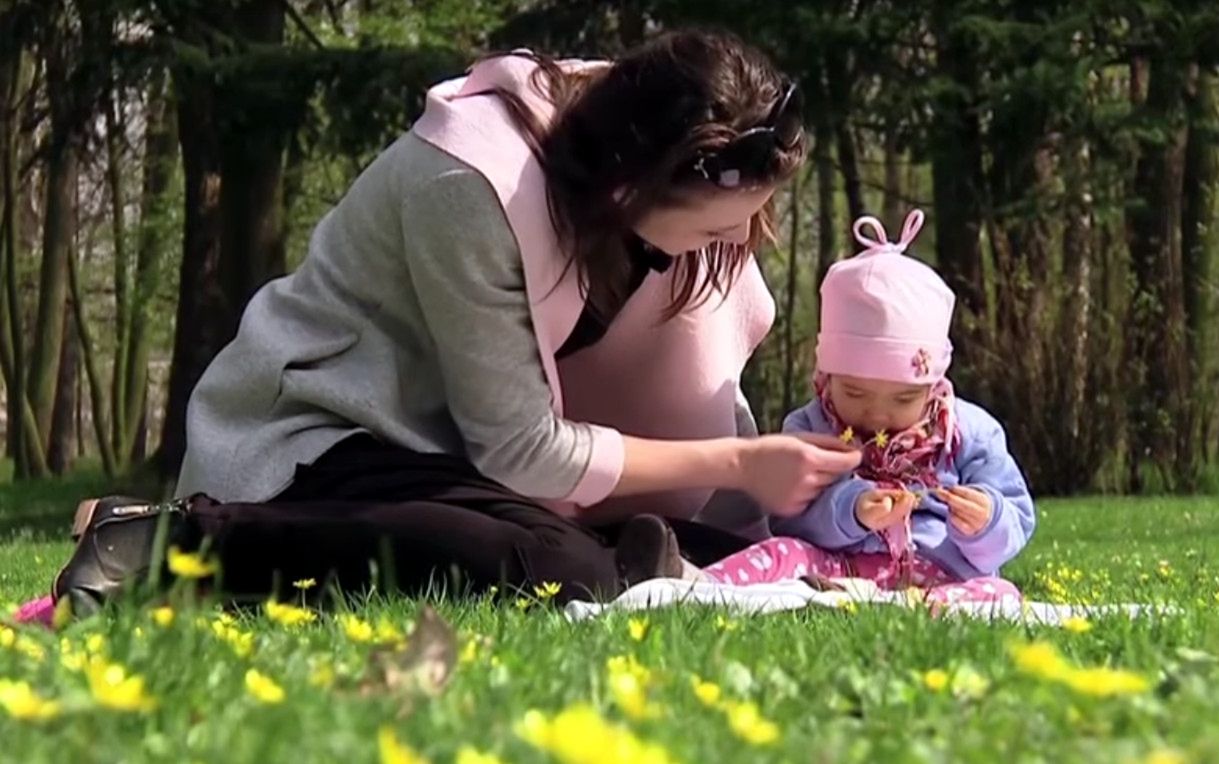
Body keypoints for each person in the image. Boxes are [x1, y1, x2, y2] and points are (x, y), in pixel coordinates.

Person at [40, 30, 863, 617]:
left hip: (451, 460)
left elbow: (691, 367)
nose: (735, 247)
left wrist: (750, 514)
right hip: (323, 431)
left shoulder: (642, 181)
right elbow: (521, 446)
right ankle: (168, 542)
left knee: (630, 555)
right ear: (627, 192)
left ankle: (639, 558)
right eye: (719, 230)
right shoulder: (472, 186)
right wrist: (737, 463)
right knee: (550, 568)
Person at [696, 210, 1035, 606]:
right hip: (837, 568)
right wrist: (850, 510)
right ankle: (695, 591)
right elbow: (786, 516)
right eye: (855, 394)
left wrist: (987, 522)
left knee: (999, 593)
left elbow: (1016, 517)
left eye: (903, 399)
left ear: (932, 386)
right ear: (826, 377)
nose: (876, 416)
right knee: (778, 552)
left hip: (941, 572)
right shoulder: (813, 426)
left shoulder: (967, 432)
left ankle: (937, 609)